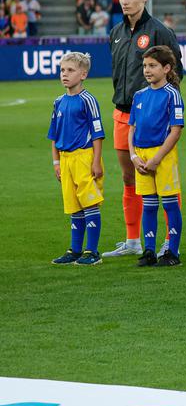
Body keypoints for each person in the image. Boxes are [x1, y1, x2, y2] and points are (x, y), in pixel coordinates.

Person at [104, 0, 183, 258]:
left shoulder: (159, 31)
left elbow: (177, 72)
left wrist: (160, 108)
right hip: (123, 115)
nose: (125, 1)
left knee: (164, 182)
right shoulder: (116, 32)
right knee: (130, 179)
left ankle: (168, 243)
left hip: (154, 121)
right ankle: (133, 240)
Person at [128, 45, 185, 268]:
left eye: (152, 65)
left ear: (166, 68)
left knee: (170, 204)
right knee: (149, 205)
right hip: (141, 157)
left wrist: (157, 158)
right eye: (144, 66)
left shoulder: (172, 94)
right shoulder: (139, 95)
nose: (147, 70)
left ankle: (173, 251)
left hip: (163, 156)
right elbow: (131, 128)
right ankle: (149, 250)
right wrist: (133, 156)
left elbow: (176, 130)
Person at [49, 52, 105, 266]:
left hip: (84, 157)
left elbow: (98, 133)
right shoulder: (58, 102)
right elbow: (53, 134)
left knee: (90, 204)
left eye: (70, 70)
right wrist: (56, 162)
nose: (65, 74)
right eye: (62, 70)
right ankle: (75, 250)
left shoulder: (87, 100)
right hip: (65, 160)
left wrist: (96, 161)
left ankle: (92, 251)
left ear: (83, 74)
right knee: (74, 206)